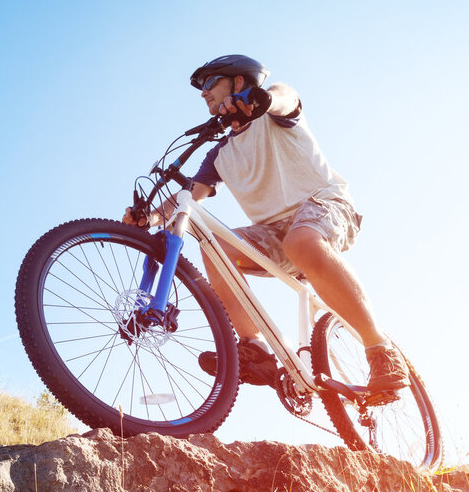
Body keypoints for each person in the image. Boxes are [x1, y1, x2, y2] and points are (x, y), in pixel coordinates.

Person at [123, 54, 408, 393]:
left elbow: (286, 96)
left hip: (325, 205)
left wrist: (265, 100)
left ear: (239, 82)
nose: (203, 94)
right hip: (274, 234)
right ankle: (254, 348)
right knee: (216, 250)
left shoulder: (273, 114)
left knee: (301, 242)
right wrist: (152, 215)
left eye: (210, 83)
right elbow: (189, 195)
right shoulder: (220, 155)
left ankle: (380, 349)